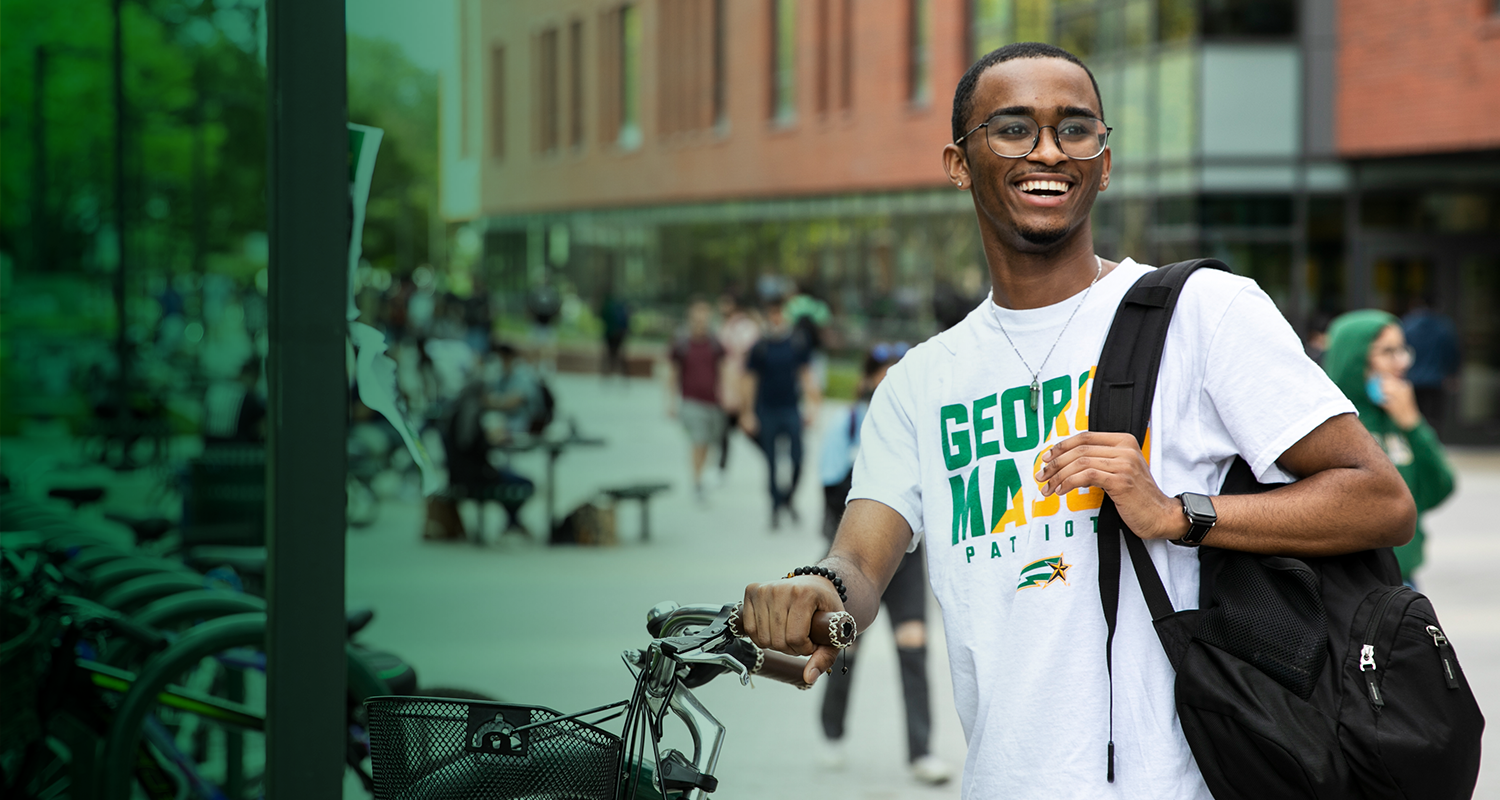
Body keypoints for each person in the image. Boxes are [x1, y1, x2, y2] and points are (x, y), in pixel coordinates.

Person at [736, 42, 1414, 798]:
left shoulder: (1202, 315)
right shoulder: (922, 383)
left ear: (1106, 160)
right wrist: (812, 590)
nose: (1050, 151)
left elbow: (1379, 496)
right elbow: (861, 564)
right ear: (959, 163)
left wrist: (1177, 512)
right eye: (1014, 129)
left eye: (1076, 128)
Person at [815, 344, 950, 786]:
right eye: (882, 373)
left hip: (908, 559)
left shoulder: (922, 425)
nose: (890, 380)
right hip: (861, 557)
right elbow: (829, 487)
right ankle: (831, 732)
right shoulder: (848, 423)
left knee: (914, 645)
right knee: (847, 647)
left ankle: (921, 751)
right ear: (867, 378)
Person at [1323, 310, 1455, 587]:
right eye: (1387, 352)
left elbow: (1439, 488)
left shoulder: (1399, 416)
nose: (1402, 363)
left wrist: (1414, 425)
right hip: (1351, 581)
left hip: (1403, 577)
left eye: (1403, 350)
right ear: (1354, 358)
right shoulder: (1332, 423)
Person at [742, 296, 821, 529]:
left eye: (780, 313)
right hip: (767, 410)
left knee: (798, 459)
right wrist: (747, 412)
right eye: (772, 313)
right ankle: (775, 507)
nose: (776, 318)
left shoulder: (797, 342)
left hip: (790, 408)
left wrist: (813, 405)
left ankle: (787, 498)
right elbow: (750, 380)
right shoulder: (760, 346)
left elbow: (806, 374)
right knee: (772, 463)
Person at [667, 300, 726, 500]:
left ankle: (701, 475)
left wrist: (726, 393)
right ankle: (697, 482)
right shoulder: (682, 344)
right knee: (698, 441)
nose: (701, 322)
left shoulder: (715, 343)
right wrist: (670, 402)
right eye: (697, 317)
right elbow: (672, 373)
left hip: (713, 402)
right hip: (691, 401)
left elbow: (724, 370)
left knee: (708, 443)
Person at [716, 293, 761, 472]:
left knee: (741, 425)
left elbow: (747, 357)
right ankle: (722, 464)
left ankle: (770, 455)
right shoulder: (726, 326)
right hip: (729, 384)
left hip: (741, 383)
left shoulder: (744, 327)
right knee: (725, 428)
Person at [1401, 298, 1460, 431]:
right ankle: (1432, 445)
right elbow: (1452, 352)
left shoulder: (1407, 325)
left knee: (1414, 418)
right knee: (1435, 419)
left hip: (1412, 379)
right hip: (1436, 380)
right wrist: (1452, 373)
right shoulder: (1442, 326)